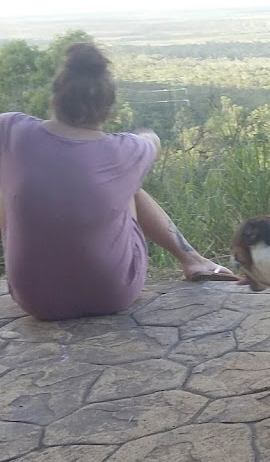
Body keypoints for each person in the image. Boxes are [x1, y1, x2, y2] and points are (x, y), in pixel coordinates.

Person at [0, 40, 238, 322]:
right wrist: (141, 138)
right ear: (109, 111)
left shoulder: (12, 129)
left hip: (37, 300)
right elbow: (154, 140)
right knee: (127, 185)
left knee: (11, 176)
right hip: (112, 293)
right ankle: (193, 260)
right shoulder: (127, 151)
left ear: (54, 101)